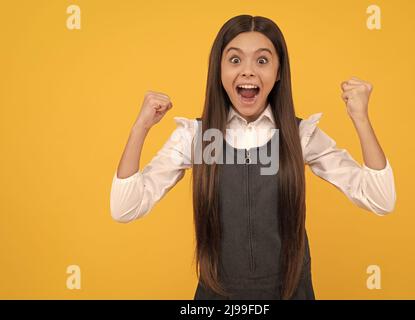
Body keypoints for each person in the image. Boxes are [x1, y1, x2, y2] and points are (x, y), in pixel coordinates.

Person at [110, 15, 396, 300]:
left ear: (279, 70)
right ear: (218, 70)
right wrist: (140, 128)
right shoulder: (201, 137)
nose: (248, 72)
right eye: (235, 60)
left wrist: (361, 119)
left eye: (262, 61)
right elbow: (125, 208)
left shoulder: (298, 136)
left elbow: (379, 199)